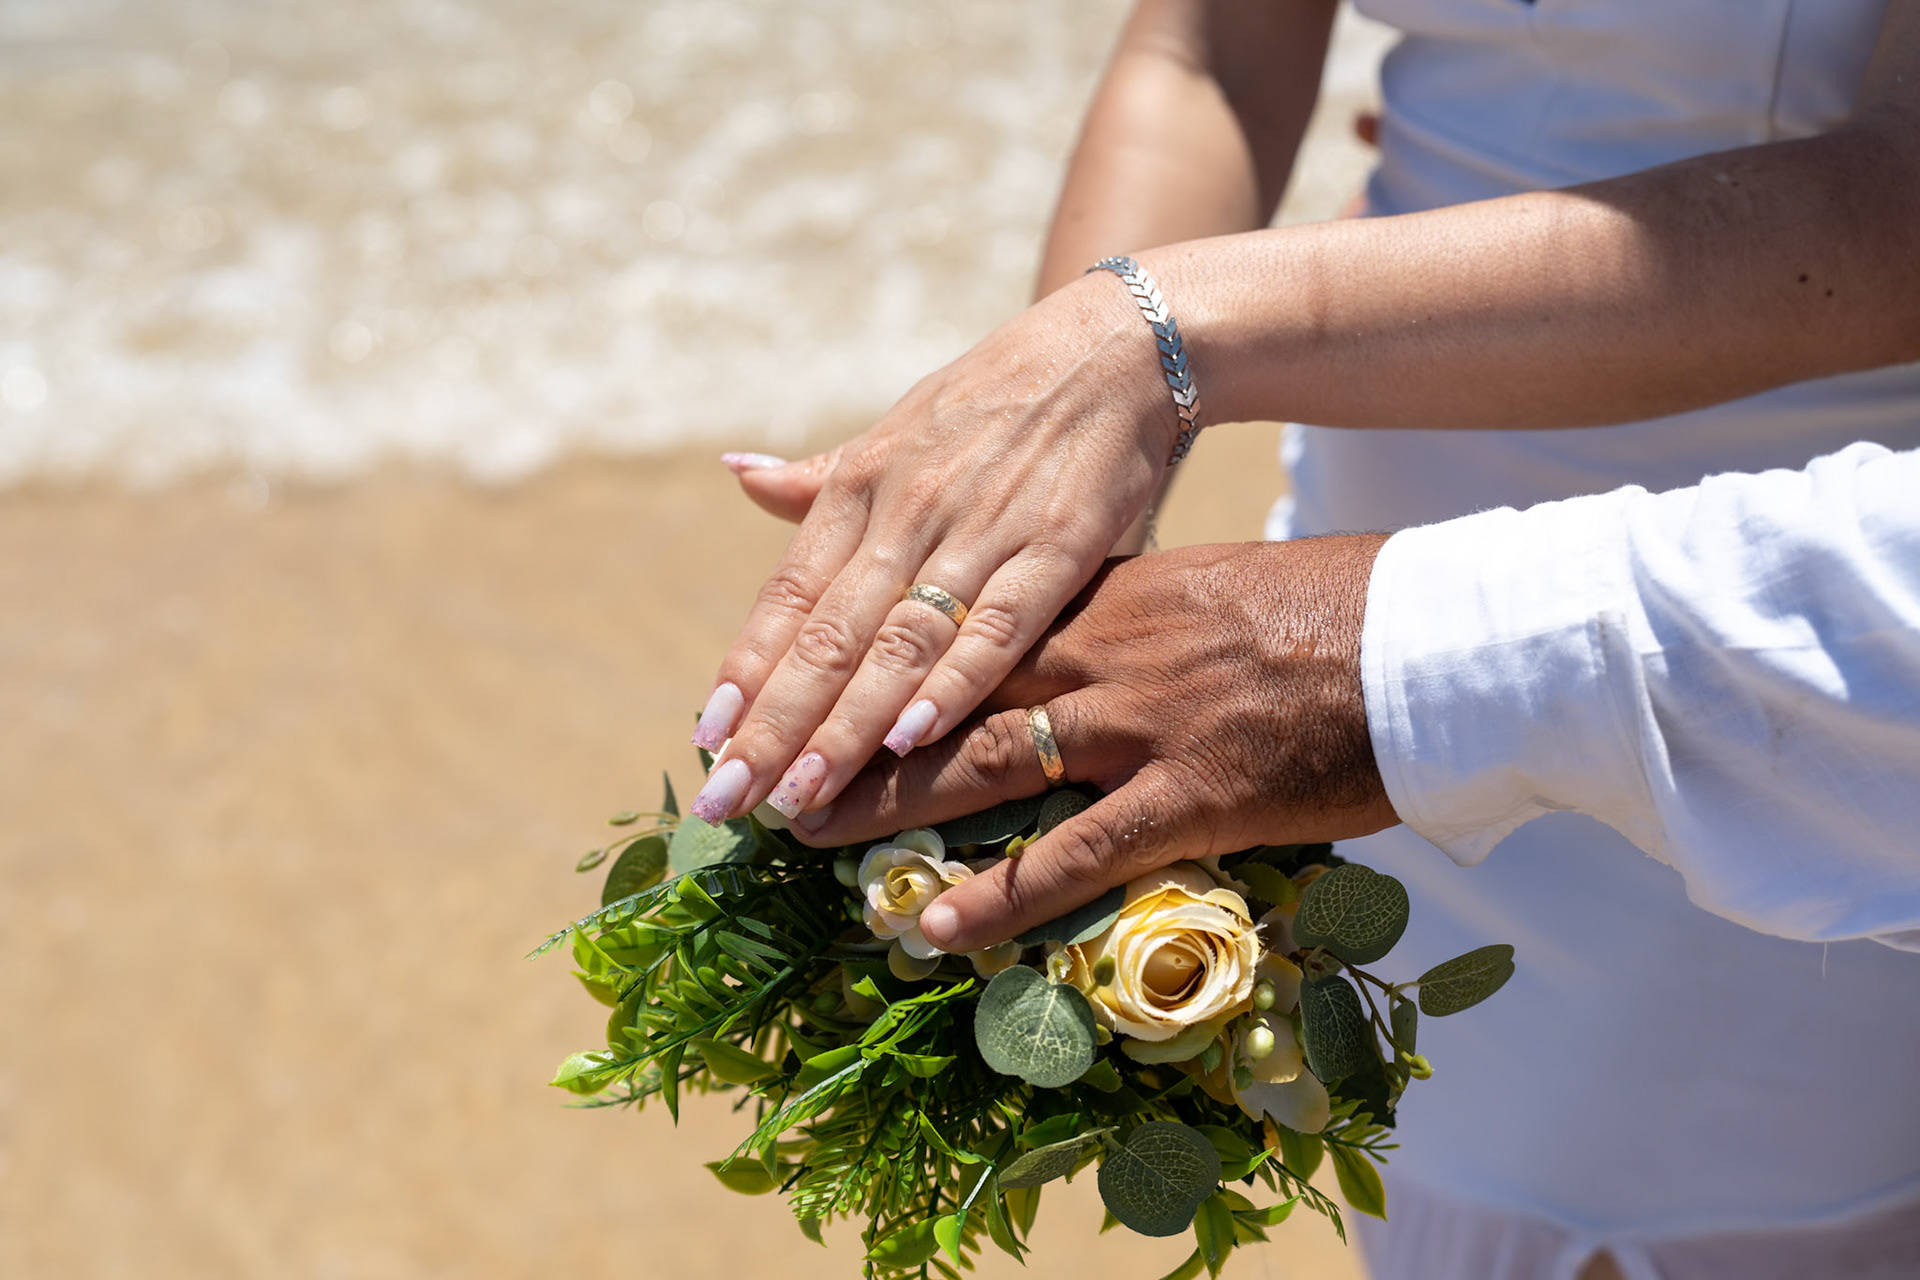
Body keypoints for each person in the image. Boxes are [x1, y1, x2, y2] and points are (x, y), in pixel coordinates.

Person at [690, 1, 1920, 1275]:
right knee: (1411, 1126)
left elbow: (1901, 205)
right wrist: (1077, 539)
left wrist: (1157, 333)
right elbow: (1207, 54)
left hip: (1783, 611)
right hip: (1357, 505)